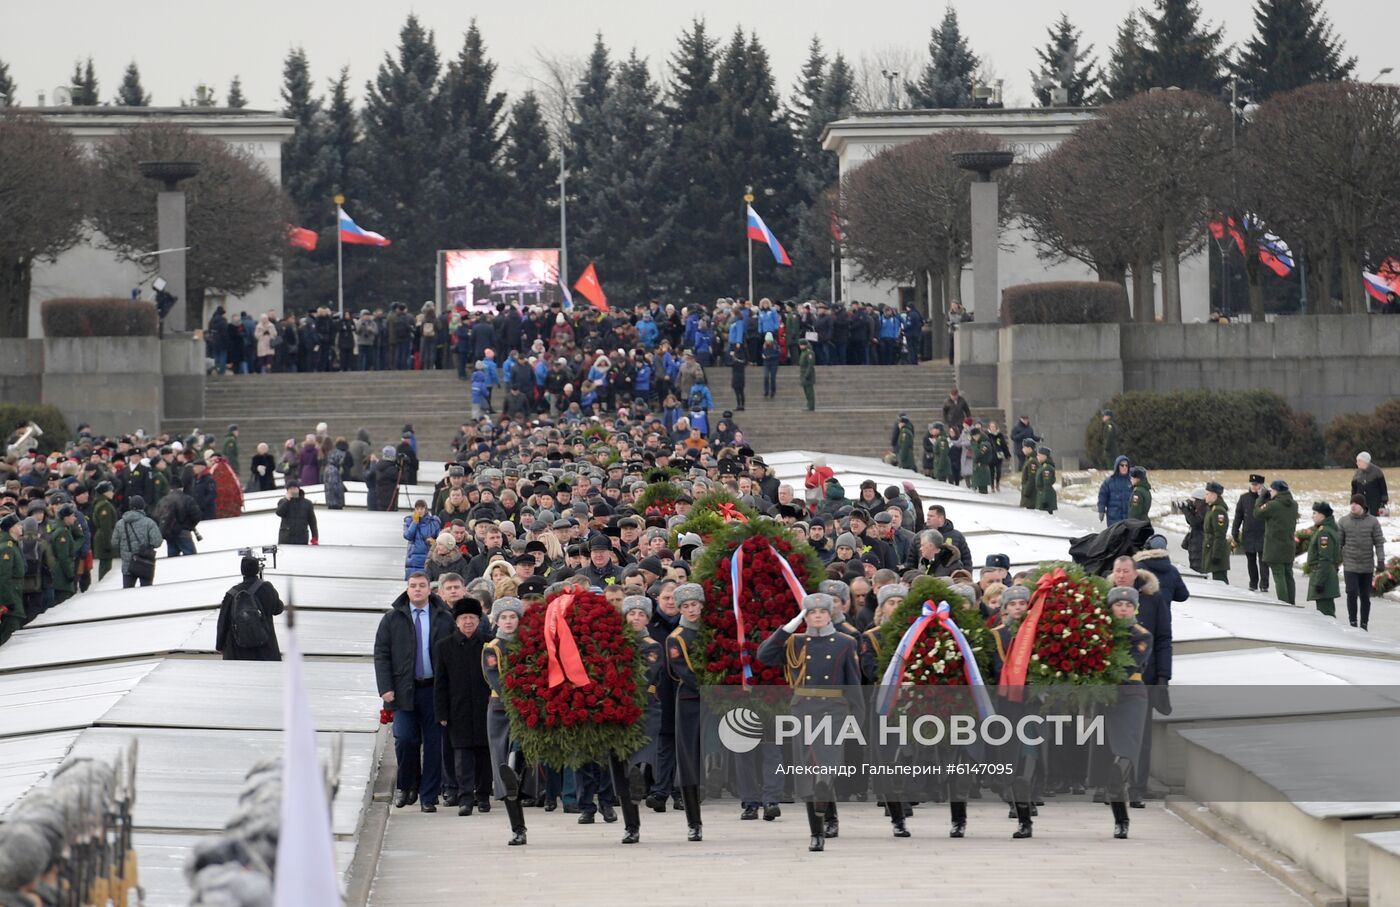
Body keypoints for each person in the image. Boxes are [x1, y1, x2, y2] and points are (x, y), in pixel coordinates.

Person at [756, 592, 866, 852]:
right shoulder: (795, 642)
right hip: (803, 707)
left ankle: (827, 814)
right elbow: (764, 655)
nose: (817, 616)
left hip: (834, 709)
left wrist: (858, 721)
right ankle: (817, 831)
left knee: (825, 765)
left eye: (822, 612)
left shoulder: (845, 642)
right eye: (811, 613)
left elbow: (854, 685)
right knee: (808, 770)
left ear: (831, 615)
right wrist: (787, 628)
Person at [374, 572, 454, 813]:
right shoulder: (392, 619)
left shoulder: (444, 618)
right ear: (407, 589)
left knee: (433, 744)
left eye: (422, 586)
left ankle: (428, 795)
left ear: (430, 589)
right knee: (405, 739)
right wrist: (385, 687)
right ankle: (406, 784)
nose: (417, 589)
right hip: (403, 690)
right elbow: (381, 654)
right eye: (413, 586)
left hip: (434, 690)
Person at [434, 596, 493, 817]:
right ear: (456, 621)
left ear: (479, 620)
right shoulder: (444, 647)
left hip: (484, 708)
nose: (468, 622)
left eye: (472, 618)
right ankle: (465, 798)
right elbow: (440, 683)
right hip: (457, 709)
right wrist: (441, 712)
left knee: (484, 754)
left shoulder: (489, 643)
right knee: (462, 756)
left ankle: (484, 795)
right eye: (463, 618)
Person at [1099, 585, 1150, 839]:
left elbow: (1131, 663)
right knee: (1110, 763)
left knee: (1124, 757)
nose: (1123, 608)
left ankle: (1122, 820)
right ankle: (1121, 819)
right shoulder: (1098, 632)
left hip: (1130, 698)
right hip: (1106, 699)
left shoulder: (1141, 635)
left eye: (1128, 605)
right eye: (1118, 605)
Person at [483, 596, 528, 844]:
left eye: (513, 616)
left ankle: (520, 824)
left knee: (518, 764)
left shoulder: (528, 644)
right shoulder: (493, 647)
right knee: (506, 768)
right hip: (503, 710)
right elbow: (495, 679)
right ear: (497, 620)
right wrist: (518, 699)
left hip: (525, 711)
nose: (509, 621)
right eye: (504, 617)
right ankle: (517, 827)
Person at [665, 582, 707, 842]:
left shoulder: (711, 631)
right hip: (691, 700)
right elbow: (682, 671)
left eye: (695, 604)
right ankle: (694, 821)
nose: (691, 610)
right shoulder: (677, 638)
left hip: (717, 699)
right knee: (689, 759)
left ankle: (752, 803)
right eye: (686, 606)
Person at [215, 555, 284, 661]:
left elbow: (223, 622)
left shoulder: (232, 593)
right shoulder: (267, 588)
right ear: (257, 569)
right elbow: (278, 609)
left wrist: (219, 645)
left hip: (238, 652)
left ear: (242, 571)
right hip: (266, 649)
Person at [1337, 494, 1386, 630]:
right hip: (1350, 565)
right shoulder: (1343, 521)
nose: (1353, 506)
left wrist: (1381, 560)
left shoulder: (1373, 522)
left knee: (1365, 596)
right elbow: (1338, 544)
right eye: (1351, 503)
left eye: (1356, 503)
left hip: (1366, 566)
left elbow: (1379, 542)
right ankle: (1352, 622)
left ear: (1362, 506)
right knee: (1351, 592)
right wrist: (1336, 561)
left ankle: (1364, 623)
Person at [1254, 479, 1299, 604]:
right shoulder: (1294, 504)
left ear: (1276, 491)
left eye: (1272, 490)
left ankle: (1284, 603)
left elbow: (1257, 513)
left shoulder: (1273, 505)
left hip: (1274, 546)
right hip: (1288, 545)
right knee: (1288, 576)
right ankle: (1291, 602)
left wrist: (1261, 498)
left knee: (1279, 576)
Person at [115, 495, 162, 588]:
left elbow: (114, 542)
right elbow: (157, 542)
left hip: (128, 565)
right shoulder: (149, 522)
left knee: (128, 593)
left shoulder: (120, 524)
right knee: (146, 592)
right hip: (145, 563)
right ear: (143, 506)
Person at [1232, 475, 1269, 593]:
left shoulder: (1268, 498)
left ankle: (1264, 584)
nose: (1254, 487)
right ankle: (1253, 583)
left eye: (1256, 485)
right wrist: (1235, 531)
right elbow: (1238, 516)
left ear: (1261, 485)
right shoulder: (1244, 498)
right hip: (1249, 533)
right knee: (1251, 561)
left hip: (1263, 533)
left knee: (1263, 561)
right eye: (1252, 484)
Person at [1305, 502, 1342, 619]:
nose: (1312, 516)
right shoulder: (1325, 529)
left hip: (1324, 576)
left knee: (1326, 614)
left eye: (1315, 513)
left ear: (1323, 515)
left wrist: (1320, 581)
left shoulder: (1324, 532)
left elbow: (1325, 558)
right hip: (1325, 574)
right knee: (1325, 610)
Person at [402, 500, 442, 579]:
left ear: (426, 509)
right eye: (417, 509)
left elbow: (440, 539)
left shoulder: (434, 522)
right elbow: (408, 536)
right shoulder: (409, 520)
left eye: (421, 508)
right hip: (413, 560)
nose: (419, 511)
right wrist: (415, 522)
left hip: (429, 558)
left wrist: (434, 542)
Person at [1200, 481, 1230, 583]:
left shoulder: (1218, 511)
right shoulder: (1212, 509)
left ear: (1214, 495)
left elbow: (1220, 534)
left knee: (1220, 580)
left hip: (1216, 549)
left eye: (1207, 494)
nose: (1205, 497)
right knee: (1216, 579)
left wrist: (1216, 554)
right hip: (1211, 547)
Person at [275, 478, 319, 545]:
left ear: (298, 489)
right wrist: (287, 500)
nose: (293, 490)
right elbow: (279, 513)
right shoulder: (283, 501)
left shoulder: (307, 503)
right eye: (290, 489)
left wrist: (315, 537)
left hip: (301, 538)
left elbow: (312, 522)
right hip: (286, 538)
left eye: (295, 488)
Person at [1097, 456, 1133, 525]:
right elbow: (1102, 496)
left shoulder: (1131, 481)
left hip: (1128, 518)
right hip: (1113, 518)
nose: (1124, 467)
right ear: (1117, 466)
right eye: (1122, 465)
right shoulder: (1109, 482)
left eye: (1126, 465)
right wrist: (1101, 511)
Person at [1351, 452, 1388, 517]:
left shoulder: (1377, 472)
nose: (1357, 463)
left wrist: (1383, 503)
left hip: (1375, 504)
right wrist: (1353, 502)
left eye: (1359, 461)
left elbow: (1383, 489)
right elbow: (1354, 490)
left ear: (1365, 461)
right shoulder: (1357, 473)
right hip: (1361, 504)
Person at [1034, 446, 1057, 514]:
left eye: (1039, 455)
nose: (1037, 457)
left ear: (1044, 456)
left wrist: (1044, 501)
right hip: (1042, 495)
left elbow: (1047, 485)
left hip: (1046, 497)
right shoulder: (1042, 466)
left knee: (1047, 516)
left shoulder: (1046, 468)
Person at [798, 340, 816, 411]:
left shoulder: (809, 353)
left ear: (805, 345)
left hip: (808, 375)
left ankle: (811, 406)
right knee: (806, 391)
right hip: (803, 374)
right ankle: (809, 405)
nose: (800, 346)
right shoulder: (803, 352)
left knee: (809, 392)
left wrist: (806, 375)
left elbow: (810, 365)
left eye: (801, 345)